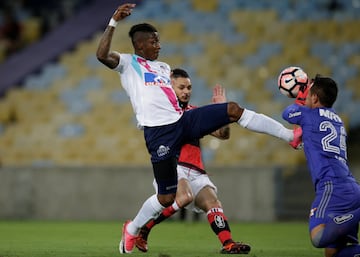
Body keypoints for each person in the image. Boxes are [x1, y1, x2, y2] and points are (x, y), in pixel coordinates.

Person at [96, 3, 302, 254]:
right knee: (166, 199)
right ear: (140, 45)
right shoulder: (128, 64)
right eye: (154, 41)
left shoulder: (164, 68)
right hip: (159, 133)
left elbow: (190, 111)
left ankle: (290, 135)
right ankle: (132, 229)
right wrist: (113, 22)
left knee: (232, 109)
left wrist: (209, 112)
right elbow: (101, 55)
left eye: (159, 41)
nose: (159, 45)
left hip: (182, 121)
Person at [134, 68, 249, 254]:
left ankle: (228, 243)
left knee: (213, 203)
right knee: (184, 197)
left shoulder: (194, 113)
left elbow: (223, 134)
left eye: (189, 87)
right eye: (181, 87)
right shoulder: (160, 115)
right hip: (174, 167)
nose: (186, 91)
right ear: (170, 88)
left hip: (196, 172)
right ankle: (144, 229)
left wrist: (223, 110)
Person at [282, 74, 360, 257]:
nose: (306, 96)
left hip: (331, 186)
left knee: (318, 237)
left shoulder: (308, 114)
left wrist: (300, 97)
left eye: (309, 94)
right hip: (350, 187)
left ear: (315, 98)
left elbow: (287, 113)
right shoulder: (338, 120)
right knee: (332, 253)